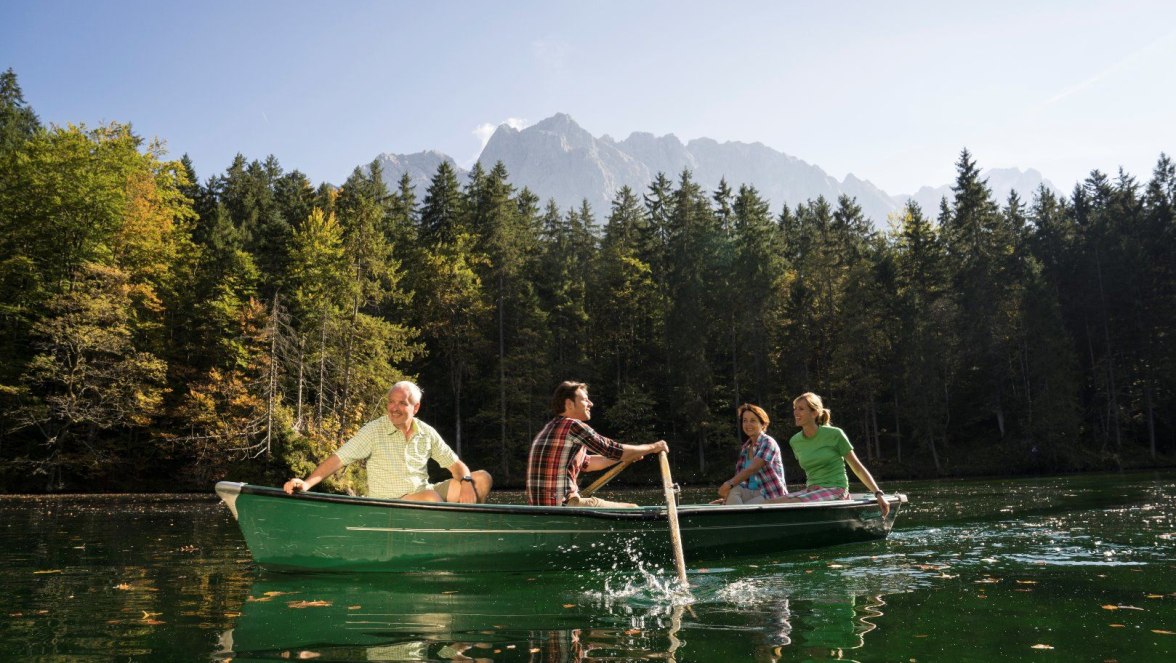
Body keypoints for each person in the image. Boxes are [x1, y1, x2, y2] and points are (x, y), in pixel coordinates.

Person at [283, 380, 492, 503]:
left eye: (402, 403)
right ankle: (448, 535)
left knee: (482, 479)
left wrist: (466, 482)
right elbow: (339, 458)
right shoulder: (374, 430)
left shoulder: (426, 432)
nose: (394, 408)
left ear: (415, 408)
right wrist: (307, 483)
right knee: (430, 499)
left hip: (425, 495)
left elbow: (456, 465)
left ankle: (462, 534)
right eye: (391, 402)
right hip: (392, 505)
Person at [527, 381, 669, 507]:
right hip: (564, 505)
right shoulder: (573, 426)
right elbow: (612, 449)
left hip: (542, 509)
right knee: (632, 509)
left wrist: (627, 456)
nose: (591, 404)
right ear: (569, 404)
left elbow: (589, 464)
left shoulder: (549, 428)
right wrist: (654, 447)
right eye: (585, 400)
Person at [766, 392, 889, 517]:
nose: (796, 413)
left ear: (814, 413)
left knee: (793, 503)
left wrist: (878, 493)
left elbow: (857, 467)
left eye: (801, 409)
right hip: (812, 490)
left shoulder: (835, 434)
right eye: (795, 409)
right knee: (769, 503)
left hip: (837, 489)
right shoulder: (795, 441)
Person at [714, 403, 788, 505]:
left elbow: (753, 468)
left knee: (733, 489)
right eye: (745, 421)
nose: (748, 424)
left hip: (770, 494)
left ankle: (736, 514)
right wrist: (728, 498)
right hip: (751, 493)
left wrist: (728, 484)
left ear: (762, 424)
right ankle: (732, 510)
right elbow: (741, 481)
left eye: (753, 420)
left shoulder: (768, 442)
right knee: (733, 490)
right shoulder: (745, 448)